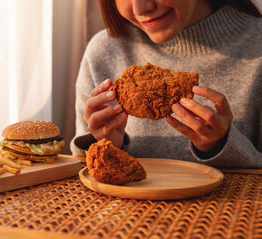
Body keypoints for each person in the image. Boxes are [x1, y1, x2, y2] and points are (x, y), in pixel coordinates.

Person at [70, 0, 262, 168]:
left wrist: (222, 146)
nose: (141, 8)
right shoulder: (105, 50)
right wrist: (103, 145)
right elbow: (81, 175)